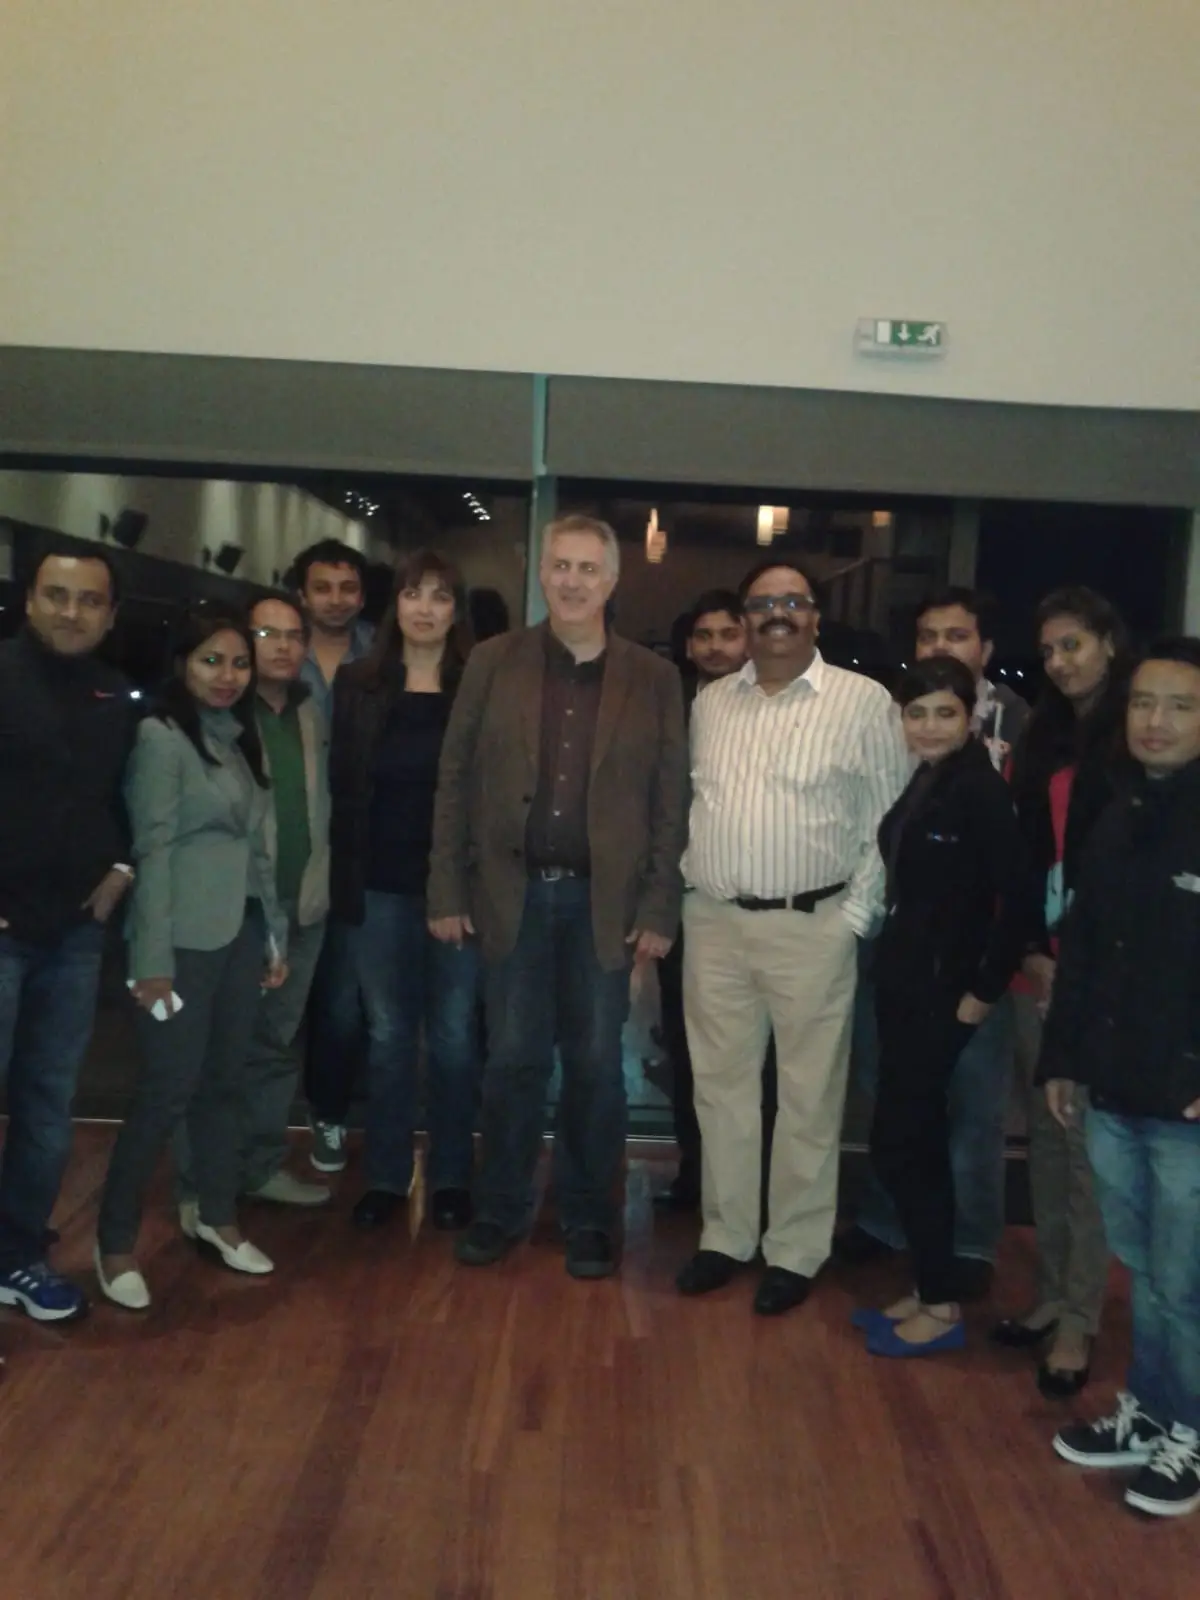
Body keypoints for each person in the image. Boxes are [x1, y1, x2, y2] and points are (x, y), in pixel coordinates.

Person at [428, 513, 688, 1279]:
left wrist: (659, 906)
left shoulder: (653, 677)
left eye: (587, 568)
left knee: (596, 1067)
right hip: (511, 896)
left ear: (612, 580)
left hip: (602, 906)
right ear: (542, 574)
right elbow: (454, 779)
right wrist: (445, 885)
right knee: (511, 1061)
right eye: (560, 566)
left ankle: (588, 1215)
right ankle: (501, 1208)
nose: (572, 581)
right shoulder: (491, 661)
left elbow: (670, 802)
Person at [677, 558, 909, 1315]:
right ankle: (726, 1236)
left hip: (814, 927)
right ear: (745, 618)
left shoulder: (862, 702)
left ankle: (796, 1249)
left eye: (793, 601)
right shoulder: (712, 702)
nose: (777, 613)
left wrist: (853, 920)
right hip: (714, 924)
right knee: (721, 1092)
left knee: (809, 1097)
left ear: (815, 615)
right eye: (762, 602)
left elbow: (891, 821)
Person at [1044, 638, 1200, 1519]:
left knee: (1187, 1278)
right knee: (1142, 1268)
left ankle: (1192, 1430)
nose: (1156, 721)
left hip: (1187, 1102)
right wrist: (1063, 1058)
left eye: (1180, 705)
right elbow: (1085, 948)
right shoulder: (1118, 811)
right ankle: (1151, 1409)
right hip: (1112, 1085)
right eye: (1144, 702)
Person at [95, 609, 289, 1310]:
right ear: (182, 664)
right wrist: (150, 962)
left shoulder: (237, 738)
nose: (226, 676)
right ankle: (115, 1242)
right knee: (165, 1091)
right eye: (211, 661)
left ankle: (216, 1215)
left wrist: (273, 936)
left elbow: (256, 848)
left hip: (238, 934)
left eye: (238, 663)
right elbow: (151, 851)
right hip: (177, 942)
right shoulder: (161, 737)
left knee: (224, 1084)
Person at [840, 587, 1029, 1297]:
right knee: (904, 1128)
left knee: (948, 1123)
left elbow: (1015, 895)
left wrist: (984, 988)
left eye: (944, 713)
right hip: (908, 977)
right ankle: (926, 1269)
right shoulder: (928, 774)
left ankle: (954, 1273)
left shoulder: (983, 779)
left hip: (954, 987)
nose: (927, 724)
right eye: (916, 713)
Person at [991, 587, 1130, 1396]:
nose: (1059, 662)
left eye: (1072, 644)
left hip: (1099, 977)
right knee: (1043, 1141)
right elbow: (1021, 857)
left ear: (1109, 641)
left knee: (1082, 1151)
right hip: (1033, 966)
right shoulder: (1042, 734)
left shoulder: (1136, 740)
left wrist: (1074, 959)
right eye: (1048, 650)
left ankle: (1080, 1317)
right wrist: (1027, 951)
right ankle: (1050, 1295)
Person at [0, 547, 136, 1323]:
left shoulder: (116, 694)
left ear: (110, 615)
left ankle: (17, 1254)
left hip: (75, 937)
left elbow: (129, 799)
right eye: (56, 594)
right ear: (30, 600)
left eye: (89, 600)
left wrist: (122, 865)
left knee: (48, 1108)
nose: (70, 612)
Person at [328, 549, 480, 1232]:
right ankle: (387, 1177)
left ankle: (451, 1177)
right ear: (395, 605)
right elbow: (341, 786)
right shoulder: (357, 682)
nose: (425, 608)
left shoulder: (477, 686)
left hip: (458, 891)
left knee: (453, 1038)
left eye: (440, 596)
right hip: (378, 887)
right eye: (414, 594)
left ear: (456, 611)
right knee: (388, 1037)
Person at [172, 592, 331, 1214]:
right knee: (214, 1054)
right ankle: (199, 1187)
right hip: (237, 912)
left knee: (274, 1047)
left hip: (302, 906)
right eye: (268, 635)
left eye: (294, 635)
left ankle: (259, 1166)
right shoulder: (217, 718)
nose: (283, 646)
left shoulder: (310, 711)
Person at [655, 589, 747, 1211]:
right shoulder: (669, 706)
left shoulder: (765, 706)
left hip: (748, 899)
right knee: (688, 1048)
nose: (716, 647)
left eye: (728, 634)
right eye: (704, 636)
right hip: (681, 902)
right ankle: (695, 1173)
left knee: (748, 1059)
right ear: (688, 646)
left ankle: (744, 1186)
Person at [289, 538, 374, 1175]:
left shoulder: (384, 655)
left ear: (363, 596)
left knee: (342, 1002)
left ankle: (329, 1113)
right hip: (286, 846)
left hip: (357, 851)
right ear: (302, 594)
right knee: (276, 1000)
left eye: (347, 589)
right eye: (323, 588)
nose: (335, 600)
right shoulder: (276, 653)